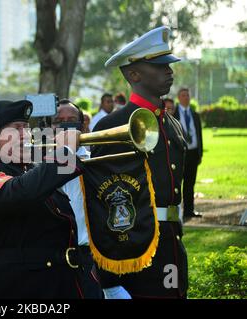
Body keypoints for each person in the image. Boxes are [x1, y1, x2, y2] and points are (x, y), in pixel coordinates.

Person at [91, 26, 188, 299]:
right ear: (134, 74)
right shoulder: (114, 126)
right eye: (159, 66)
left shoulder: (172, 124)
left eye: (169, 65)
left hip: (171, 242)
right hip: (132, 248)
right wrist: (109, 280)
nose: (169, 71)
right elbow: (101, 200)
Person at [0, 100, 86, 299]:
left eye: (26, 128)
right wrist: (64, 153)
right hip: (15, 289)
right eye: (15, 129)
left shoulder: (33, 172)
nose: (26, 135)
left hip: (61, 284)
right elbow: (19, 192)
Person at [52, 100, 103, 299]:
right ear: (51, 127)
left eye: (71, 120)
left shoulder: (96, 161)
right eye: (59, 121)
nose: (65, 125)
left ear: (82, 126)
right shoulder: (37, 164)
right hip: (53, 256)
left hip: (90, 254)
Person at [174, 88, 203, 220]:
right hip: (180, 154)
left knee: (190, 183)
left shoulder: (195, 115)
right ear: (178, 98)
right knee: (177, 183)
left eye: (187, 95)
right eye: (183, 95)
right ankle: (176, 211)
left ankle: (189, 210)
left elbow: (199, 135)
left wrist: (200, 153)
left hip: (193, 154)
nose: (186, 97)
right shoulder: (174, 115)